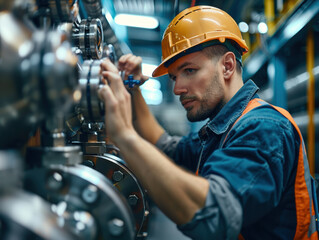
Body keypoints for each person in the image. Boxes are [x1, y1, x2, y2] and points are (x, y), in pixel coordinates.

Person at [98, 5, 318, 240]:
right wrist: (133, 89)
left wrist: (124, 135)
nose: (177, 88)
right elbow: (163, 145)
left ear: (227, 66)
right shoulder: (220, 131)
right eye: (174, 77)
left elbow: (215, 215)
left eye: (189, 70)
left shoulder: (263, 128)